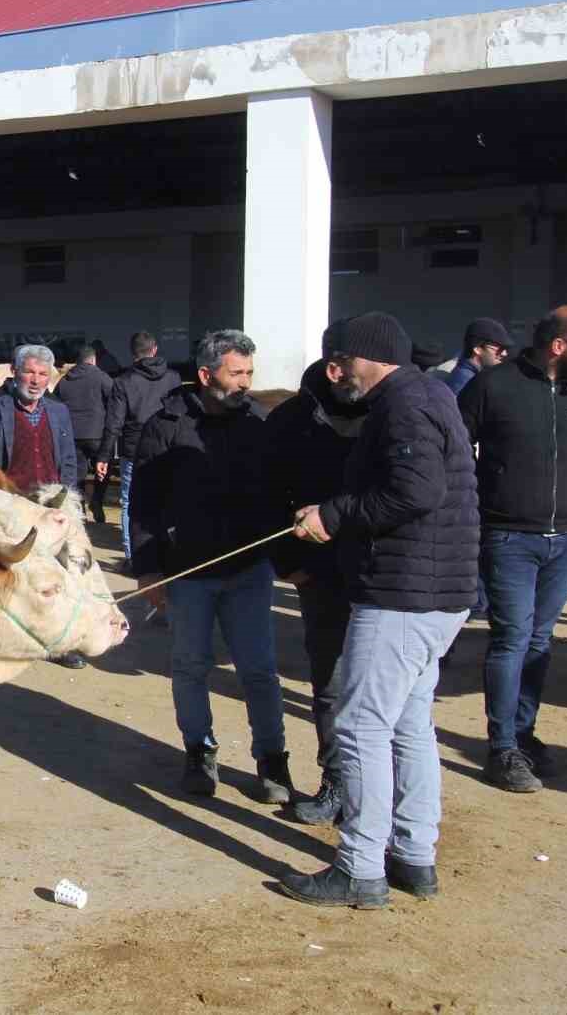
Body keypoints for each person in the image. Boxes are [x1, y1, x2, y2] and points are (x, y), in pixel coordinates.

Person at [280, 312, 477, 907]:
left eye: (339, 360)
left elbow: (416, 491)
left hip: (403, 593)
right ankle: (414, 856)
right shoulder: (426, 395)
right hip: (436, 593)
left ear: (370, 357)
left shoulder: (403, 405)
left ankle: (360, 867)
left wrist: (330, 517)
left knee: (361, 724)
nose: (333, 373)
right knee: (408, 722)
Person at [131, 330, 291, 801]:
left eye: (249, 373)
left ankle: (272, 759)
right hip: (188, 574)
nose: (245, 382)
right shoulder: (165, 425)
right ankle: (198, 751)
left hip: (249, 572)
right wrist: (149, 569)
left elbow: (278, 496)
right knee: (189, 667)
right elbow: (143, 503)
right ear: (206, 375)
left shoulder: (258, 424)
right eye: (236, 372)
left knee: (259, 670)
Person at [457, 305, 567, 793]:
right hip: (511, 537)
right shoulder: (494, 387)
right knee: (512, 638)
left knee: (540, 639)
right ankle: (503, 748)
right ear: (559, 345)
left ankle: (524, 734)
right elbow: (452, 449)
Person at [265, 320, 369, 824]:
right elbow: (265, 495)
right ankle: (336, 782)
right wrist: (290, 564)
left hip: (384, 573)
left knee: (383, 689)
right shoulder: (291, 420)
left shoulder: (390, 410)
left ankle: (377, 790)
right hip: (320, 573)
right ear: (336, 367)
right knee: (329, 681)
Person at [106, 331, 182, 567]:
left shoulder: (122, 382)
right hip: (169, 447)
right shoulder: (173, 378)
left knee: (131, 502)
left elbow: (114, 422)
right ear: (155, 349)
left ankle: (133, 558)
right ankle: (170, 552)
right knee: (170, 498)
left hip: (134, 448)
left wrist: (103, 455)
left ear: (132, 353)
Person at [0, 343, 79, 496]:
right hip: (8, 503)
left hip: (49, 505)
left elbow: (68, 461)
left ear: (49, 376)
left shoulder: (59, 411)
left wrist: (65, 497)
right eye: (29, 372)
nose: (36, 381)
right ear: (14, 371)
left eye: (43, 374)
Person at [54, 344, 115, 523]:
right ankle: (97, 501)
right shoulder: (102, 377)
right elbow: (115, 400)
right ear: (93, 360)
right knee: (103, 469)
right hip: (97, 434)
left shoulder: (64, 381)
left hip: (72, 434)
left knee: (77, 473)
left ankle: (79, 505)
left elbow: (55, 404)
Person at [445, 318, 510, 395]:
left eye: (505, 348)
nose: (504, 353)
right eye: (499, 348)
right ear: (477, 349)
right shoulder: (467, 381)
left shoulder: (469, 377)